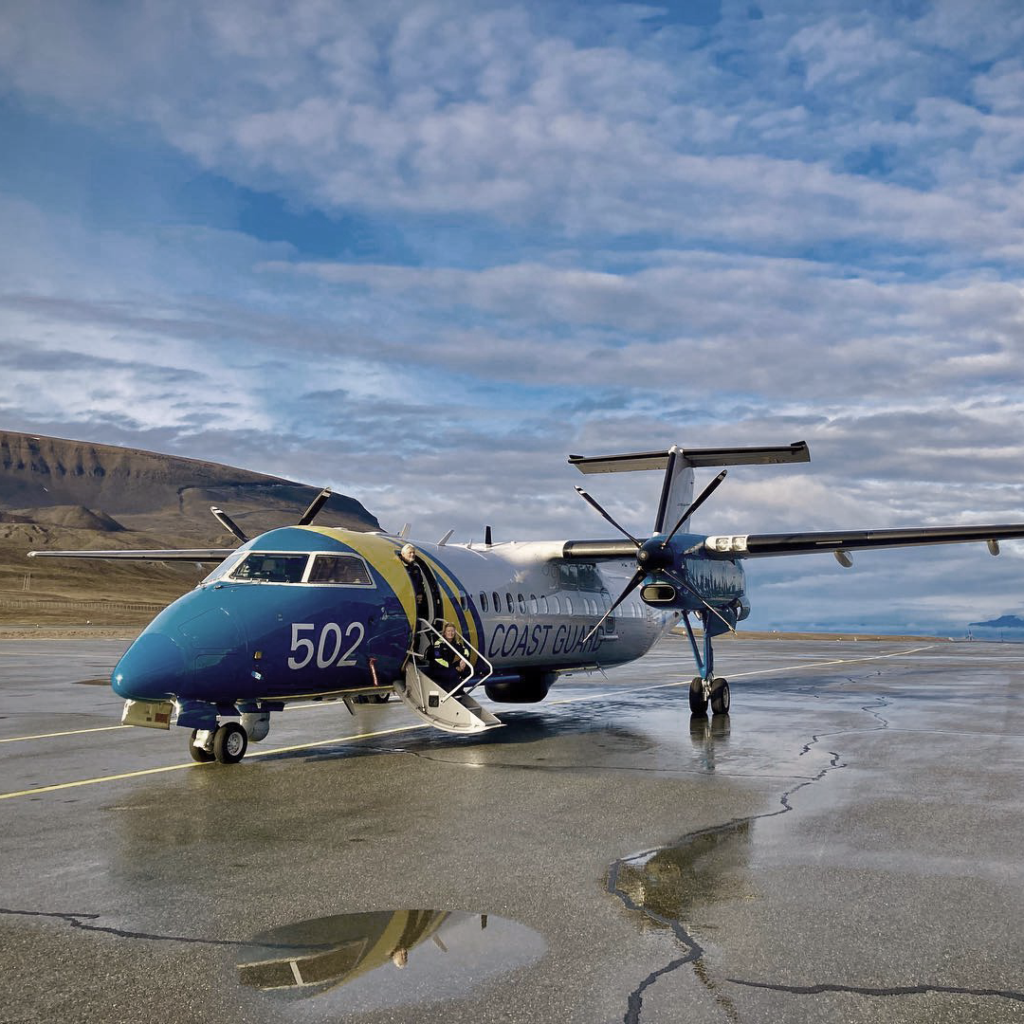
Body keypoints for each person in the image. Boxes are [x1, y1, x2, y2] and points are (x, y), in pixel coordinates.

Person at [428, 622, 472, 691]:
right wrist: (453, 667)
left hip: (449, 666)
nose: (450, 633)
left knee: (466, 671)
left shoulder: (456, 643)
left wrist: (464, 660)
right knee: (454, 673)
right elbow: (438, 660)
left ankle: (458, 691)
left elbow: (466, 650)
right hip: (438, 668)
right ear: (445, 632)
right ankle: (453, 692)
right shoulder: (439, 643)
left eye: (452, 631)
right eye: (448, 631)